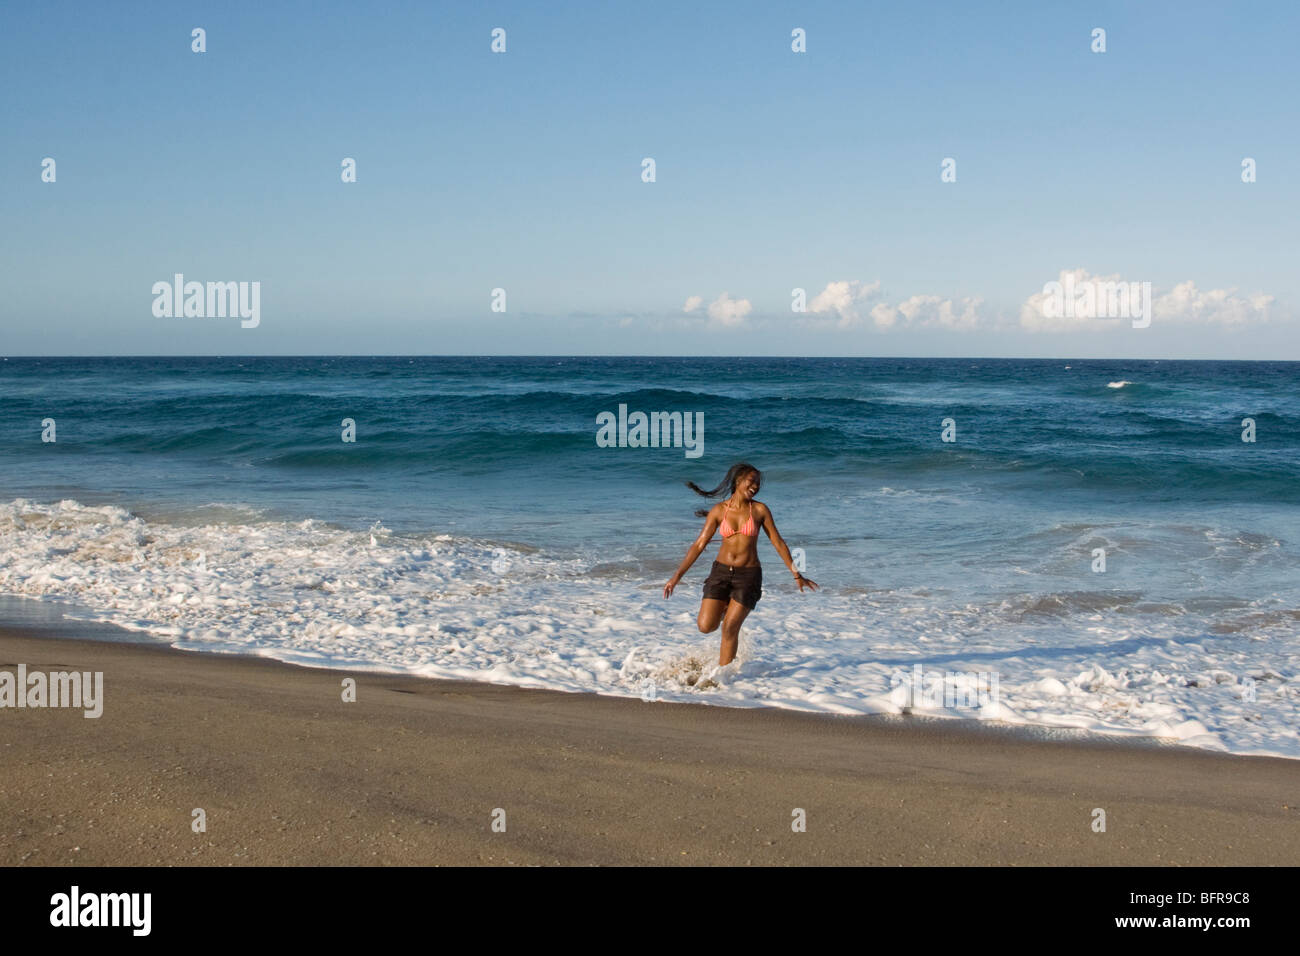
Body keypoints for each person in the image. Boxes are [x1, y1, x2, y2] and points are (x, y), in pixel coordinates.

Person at [663, 462, 818, 667]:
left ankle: (723, 678)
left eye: (758, 484)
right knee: (705, 626)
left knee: (729, 629)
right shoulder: (719, 511)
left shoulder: (760, 510)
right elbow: (699, 545)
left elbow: (778, 542)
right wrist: (676, 578)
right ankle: (727, 607)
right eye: (752, 481)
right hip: (720, 572)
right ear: (738, 481)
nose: (755, 486)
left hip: (748, 576)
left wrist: (797, 575)